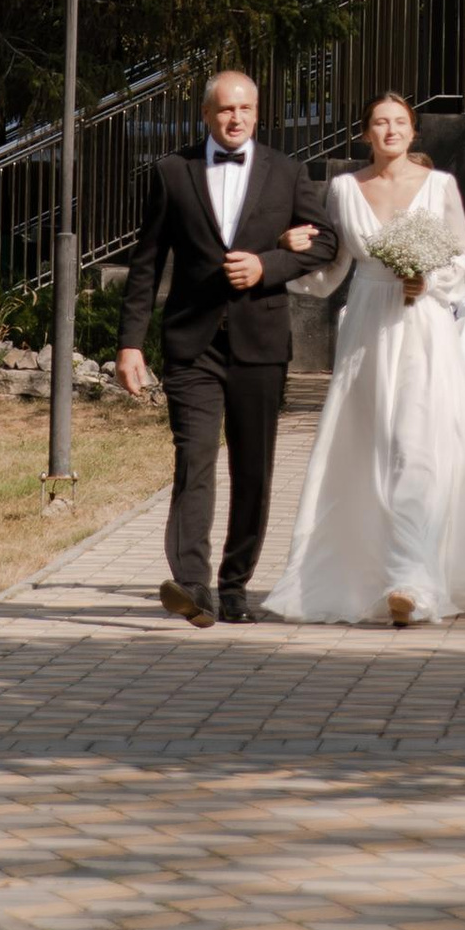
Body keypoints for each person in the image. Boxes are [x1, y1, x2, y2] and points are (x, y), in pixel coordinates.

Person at [262, 91, 465, 629]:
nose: (389, 130)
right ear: (365, 133)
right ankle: (356, 574)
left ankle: (411, 582)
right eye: (379, 122)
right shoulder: (342, 190)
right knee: (367, 446)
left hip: (424, 327)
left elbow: (462, 265)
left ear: (413, 131)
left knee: (416, 446)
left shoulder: (441, 187)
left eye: (399, 122)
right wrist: (279, 268)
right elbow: (332, 266)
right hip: (367, 329)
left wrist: (429, 280)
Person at [116, 70, 329, 624]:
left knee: (253, 470)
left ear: (258, 114)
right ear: (206, 115)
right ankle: (192, 585)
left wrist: (269, 265)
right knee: (195, 461)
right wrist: (130, 345)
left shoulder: (287, 172)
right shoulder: (172, 172)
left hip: (261, 343)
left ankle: (235, 586)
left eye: (246, 109)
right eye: (225, 109)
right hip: (193, 343)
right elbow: (146, 263)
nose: (236, 118)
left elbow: (326, 240)